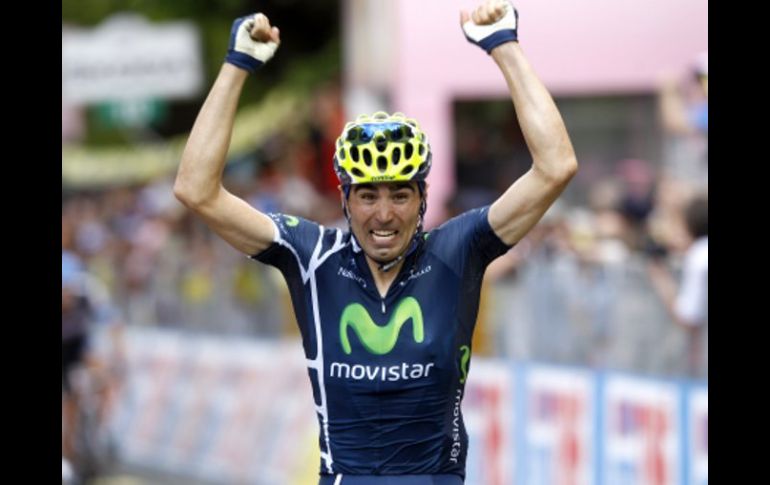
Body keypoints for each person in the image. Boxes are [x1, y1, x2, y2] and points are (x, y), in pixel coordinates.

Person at [174, 1, 577, 483]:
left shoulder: (457, 249)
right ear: (345, 199)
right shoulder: (312, 256)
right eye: (367, 196)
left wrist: (503, 45)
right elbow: (197, 190)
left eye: (400, 195)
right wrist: (237, 65)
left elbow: (555, 167)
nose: (384, 214)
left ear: (422, 198)